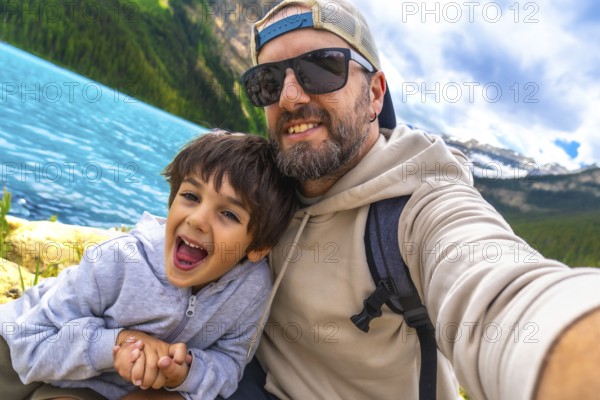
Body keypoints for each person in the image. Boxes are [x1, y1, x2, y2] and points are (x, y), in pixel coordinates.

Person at [232, 0, 600, 399]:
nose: (288, 97)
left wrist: (567, 347)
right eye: (266, 81)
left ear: (374, 94)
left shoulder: (417, 207)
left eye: (321, 68)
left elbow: (494, 288)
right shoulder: (255, 186)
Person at [0, 131, 297, 400]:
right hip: (16, 356)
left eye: (229, 215)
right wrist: (117, 344)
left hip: (93, 386)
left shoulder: (252, 288)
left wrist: (186, 371)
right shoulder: (119, 261)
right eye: (191, 196)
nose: (196, 219)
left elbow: (229, 363)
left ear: (257, 248)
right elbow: (31, 345)